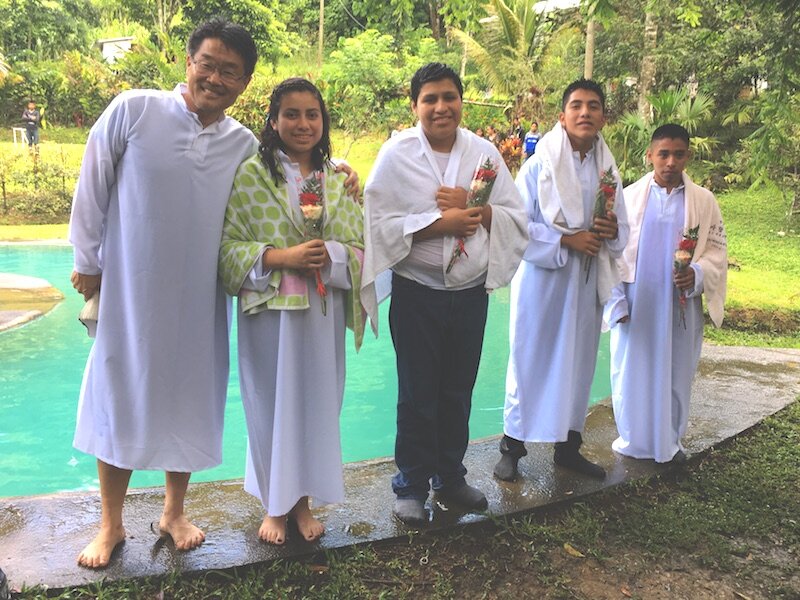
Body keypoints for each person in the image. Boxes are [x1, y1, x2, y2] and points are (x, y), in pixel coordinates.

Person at [68, 18, 260, 570]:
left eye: (231, 71)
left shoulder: (242, 143)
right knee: (119, 394)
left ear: (244, 82)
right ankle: (111, 524)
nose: (216, 77)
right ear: (188, 62)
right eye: (209, 63)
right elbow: (93, 183)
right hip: (131, 289)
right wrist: (88, 262)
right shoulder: (135, 110)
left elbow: (287, 181)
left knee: (190, 397)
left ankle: (174, 512)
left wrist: (339, 172)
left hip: (201, 299)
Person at [362, 62, 528, 524]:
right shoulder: (396, 155)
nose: (441, 107)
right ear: (414, 105)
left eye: (449, 97)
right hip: (418, 293)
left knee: (458, 389)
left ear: (461, 101)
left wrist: (477, 209)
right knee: (418, 393)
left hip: (469, 294)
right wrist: (441, 224)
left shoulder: (484, 153)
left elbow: (516, 218)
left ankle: (450, 477)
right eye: (430, 99)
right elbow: (377, 224)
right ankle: (411, 484)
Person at [218, 78, 373, 545]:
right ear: (272, 120)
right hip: (270, 315)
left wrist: (334, 255)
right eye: (291, 114)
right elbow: (226, 252)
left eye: (312, 114)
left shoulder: (337, 179)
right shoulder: (250, 176)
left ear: (323, 122)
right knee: (269, 403)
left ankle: (302, 501)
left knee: (314, 404)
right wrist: (280, 258)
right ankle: (273, 503)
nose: (302, 123)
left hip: (320, 315)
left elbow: (363, 248)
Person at [495, 79, 629, 482]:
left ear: (603, 116)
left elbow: (622, 229)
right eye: (576, 106)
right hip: (544, 280)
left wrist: (609, 230)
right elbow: (518, 225)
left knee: (579, 362)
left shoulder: (609, 170)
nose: (585, 112)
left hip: (585, 281)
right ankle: (511, 449)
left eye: (593, 106)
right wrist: (567, 239)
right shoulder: (540, 166)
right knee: (529, 357)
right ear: (563, 115)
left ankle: (568, 449)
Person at [604, 124, 727, 463]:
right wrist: (616, 301)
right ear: (650, 155)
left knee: (677, 369)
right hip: (637, 300)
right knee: (631, 369)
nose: (671, 161)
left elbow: (717, 254)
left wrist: (698, 275)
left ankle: (669, 442)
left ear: (688, 156)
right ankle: (633, 438)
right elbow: (611, 253)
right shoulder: (627, 198)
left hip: (679, 305)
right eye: (663, 154)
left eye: (678, 154)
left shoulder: (703, 201)